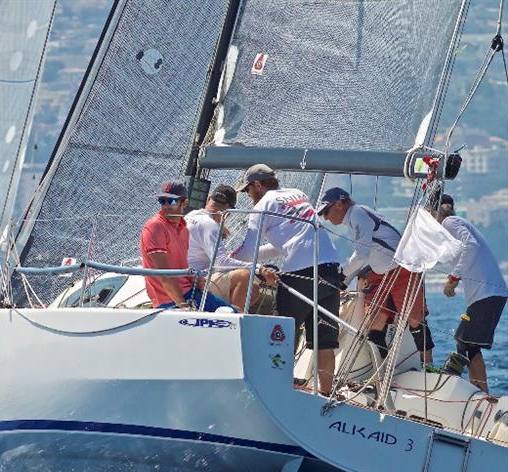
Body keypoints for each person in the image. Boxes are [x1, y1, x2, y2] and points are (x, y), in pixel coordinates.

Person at [233, 164, 341, 396]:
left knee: (281, 333)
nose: (248, 196)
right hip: (331, 270)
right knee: (325, 342)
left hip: (303, 273)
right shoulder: (298, 195)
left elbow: (247, 250)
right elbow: (287, 242)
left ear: (258, 185)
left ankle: (277, 389)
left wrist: (226, 259)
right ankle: (326, 395)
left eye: (247, 190)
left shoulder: (262, 207)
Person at [318, 187, 434, 365]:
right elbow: (363, 254)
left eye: (326, 212)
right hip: (380, 274)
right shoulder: (352, 220)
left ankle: (428, 367)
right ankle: (383, 372)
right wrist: (343, 282)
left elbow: (361, 253)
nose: (325, 217)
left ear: (340, 204)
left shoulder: (357, 213)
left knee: (415, 320)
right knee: (373, 323)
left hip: (401, 270)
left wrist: (341, 277)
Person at [433, 193, 507, 393]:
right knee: (467, 343)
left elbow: (471, 246)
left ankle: (482, 394)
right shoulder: (453, 226)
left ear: (434, 212)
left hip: (488, 293)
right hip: (487, 294)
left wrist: (453, 279)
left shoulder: (450, 222)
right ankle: (478, 392)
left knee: (465, 341)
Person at [140, 180, 232, 312]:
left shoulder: (184, 228)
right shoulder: (155, 227)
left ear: (185, 203)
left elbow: (182, 266)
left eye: (171, 201)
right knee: (229, 315)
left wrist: (196, 279)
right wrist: (184, 307)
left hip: (190, 292)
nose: (166, 205)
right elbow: (164, 275)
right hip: (170, 300)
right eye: (162, 200)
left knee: (233, 312)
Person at [185, 184, 277, 309]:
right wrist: (259, 268)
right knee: (244, 276)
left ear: (208, 199)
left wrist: (219, 227)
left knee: (253, 289)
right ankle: (232, 320)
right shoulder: (210, 226)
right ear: (228, 213)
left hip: (182, 277)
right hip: (195, 283)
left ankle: (221, 311)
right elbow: (220, 263)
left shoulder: (190, 216)